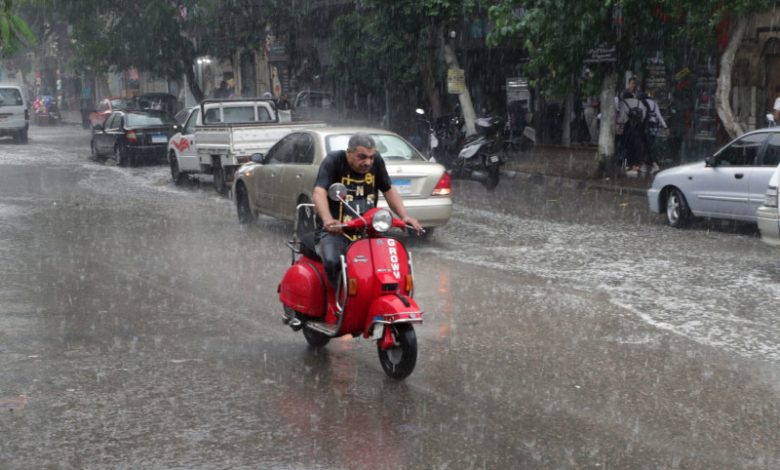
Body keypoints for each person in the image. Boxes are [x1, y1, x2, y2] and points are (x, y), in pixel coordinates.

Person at [313, 133, 423, 287]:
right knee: (333, 261)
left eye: (371, 157)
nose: (368, 162)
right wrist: (327, 220)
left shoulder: (377, 161)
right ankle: (339, 297)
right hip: (336, 231)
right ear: (349, 152)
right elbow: (319, 191)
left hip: (368, 230)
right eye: (362, 157)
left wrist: (404, 216)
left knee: (389, 263)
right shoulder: (334, 160)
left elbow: (388, 189)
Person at [615, 81, 646, 177]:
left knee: (626, 145)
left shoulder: (623, 103)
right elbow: (644, 114)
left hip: (628, 128)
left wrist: (618, 124)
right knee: (637, 146)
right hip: (639, 127)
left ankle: (627, 164)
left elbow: (621, 118)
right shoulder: (639, 102)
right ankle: (636, 165)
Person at [638, 92, 667, 174]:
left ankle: (654, 165)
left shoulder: (641, 103)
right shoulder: (654, 103)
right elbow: (659, 116)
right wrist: (665, 126)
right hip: (654, 129)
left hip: (645, 129)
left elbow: (642, 116)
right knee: (648, 147)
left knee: (646, 147)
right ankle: (644, 165)